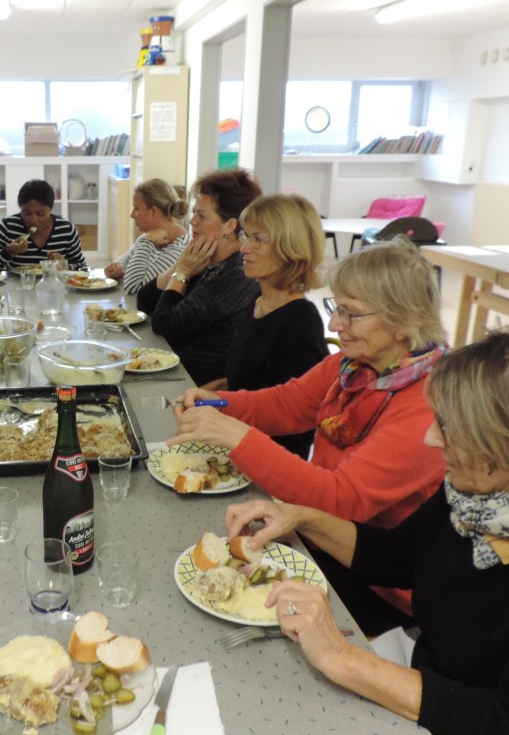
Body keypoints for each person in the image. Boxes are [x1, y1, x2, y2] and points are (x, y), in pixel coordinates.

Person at [225, 329, 509, 735]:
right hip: (424, 677)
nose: (430, 438)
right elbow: (395, 556)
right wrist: (301, 517)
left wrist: (342, 656)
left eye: (451, 428)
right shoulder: (476, 496)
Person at [172, 237, 447, 633]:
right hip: (318, 536)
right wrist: (217, 403)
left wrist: (237, 437)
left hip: (375, 584)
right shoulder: (353, 367)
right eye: (337, 308)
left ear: (404, 321)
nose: (334, 325)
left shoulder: (426, 407)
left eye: (351, 313)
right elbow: (286, 404)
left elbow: (341, 500)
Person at [203, 193, 328, 459]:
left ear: (289, 248)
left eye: (258, 239)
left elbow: (297, 426)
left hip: (264, 461)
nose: (244, 249)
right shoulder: (258, 302)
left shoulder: (299, 323)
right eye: (246, 236)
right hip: (233, 442)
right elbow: (254, 381)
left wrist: (222, 411)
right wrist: (217, 391)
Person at [136, 168, 261, 386]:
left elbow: (164, 324)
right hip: (177, 376)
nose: (192, 221)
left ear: (230, 225)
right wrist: (182, 264)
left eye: (201, 216)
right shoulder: (206, 260)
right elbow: (145, 300)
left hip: (199, 389)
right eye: (194, 213)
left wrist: (183, 272)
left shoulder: (234, 274)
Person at [0, 178, 88, 273]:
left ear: (51, 209)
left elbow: (82, 267)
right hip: (17, 288)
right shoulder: (8, 226)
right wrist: (8, 252)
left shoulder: (66, 230)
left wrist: (64, 265)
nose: (33, 220)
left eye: (40, 214)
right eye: (27, 213)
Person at [104, 178, 190, 294]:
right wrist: (115, 269)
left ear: (153, 211)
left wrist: (146, 242)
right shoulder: (150, 236)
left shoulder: (178, 248)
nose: (132, 215)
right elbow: (123, 262)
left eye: (136, 208)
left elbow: (133, 287)